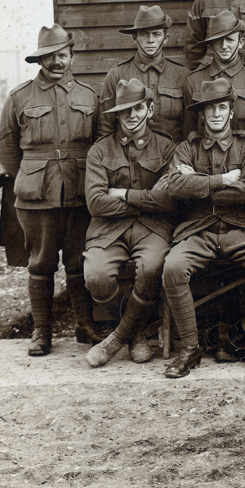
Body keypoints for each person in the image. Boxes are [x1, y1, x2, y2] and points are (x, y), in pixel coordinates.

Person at [162, 78, 245, 378]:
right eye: (209, 108)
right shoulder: (187, 147)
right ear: (201, 113)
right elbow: (174, 187)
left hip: (241, 225)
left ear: (231, 111)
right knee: (173, 267)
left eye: (222, 107)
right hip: (198, 227)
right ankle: (190, 348)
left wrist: (197, 181)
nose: (216, 113)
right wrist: (223, 180)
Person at [0, 24, 100, 356]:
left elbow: (99, 143)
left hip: (80, 192)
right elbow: (6, 146)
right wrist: (29, 176)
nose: (57, 62)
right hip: (36, 196)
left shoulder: (88, 95)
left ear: (72, 56)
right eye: (50, 56)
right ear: (41, 59)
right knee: (40, 263)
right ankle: (42, 332)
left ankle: (85, 326)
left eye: (63, 55)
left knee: (77, 261)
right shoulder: (20, 96)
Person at [83, 79, 176, 368]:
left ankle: (116, 338)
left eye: (138, 108)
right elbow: (96, 203)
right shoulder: (100, 151)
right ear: (117, 115)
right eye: (125, 111)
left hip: (153, 228)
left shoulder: (167, 147)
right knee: (96, 276)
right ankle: (134, 332)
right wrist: (148, 197)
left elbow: (171, 201)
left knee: (151, 267)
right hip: (108, 230)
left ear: (149, 109)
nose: (132, 116)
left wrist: (123, 194)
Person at [184, 9, 245, 147]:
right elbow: (189, 134)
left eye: (230, 39)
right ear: (210, 44)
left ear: (241, 43)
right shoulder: (194, 81)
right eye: (218, 40)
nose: (224, 46)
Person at [98, 6, 189, 143]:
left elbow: (190, 127)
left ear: (165, 38)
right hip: (129, 157)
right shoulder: (117, 75)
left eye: (156, 34)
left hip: (172, 156)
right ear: (135, 38)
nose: (150, 40)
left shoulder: (182, 75)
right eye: (144, 34)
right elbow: (105, 128)